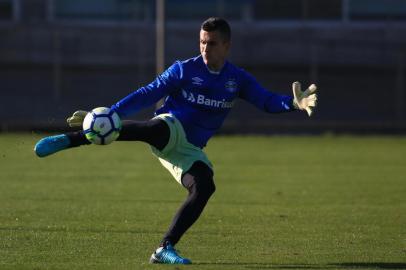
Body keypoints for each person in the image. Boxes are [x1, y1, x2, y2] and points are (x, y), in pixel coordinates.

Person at [34, 17, 317, 264]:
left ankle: (163, 248)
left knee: (205, 186)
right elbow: (148, 92)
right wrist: (112, 113)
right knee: (159, 129)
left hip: (189, 149)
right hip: (169, 125)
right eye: (202, 42)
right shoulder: (184, 69)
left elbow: (266, 101)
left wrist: (293, 103)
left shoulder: (237, 79)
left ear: (227, 46)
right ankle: (75, 139)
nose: (205, 48)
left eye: (212, 43)